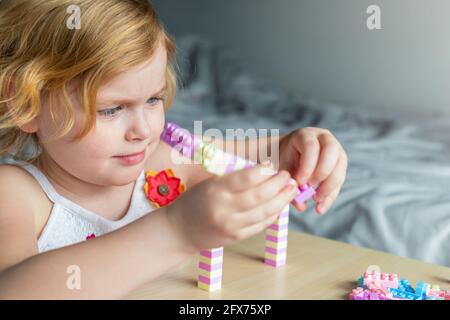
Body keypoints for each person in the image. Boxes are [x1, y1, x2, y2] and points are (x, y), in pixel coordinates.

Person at [0, 0, 347, 299]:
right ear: (25, 105)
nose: (144, 130)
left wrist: (298, 148)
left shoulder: (164, 161)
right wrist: (175, 232)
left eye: (153, 99)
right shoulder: (14, 195)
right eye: (111, 109)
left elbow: (261, 154)